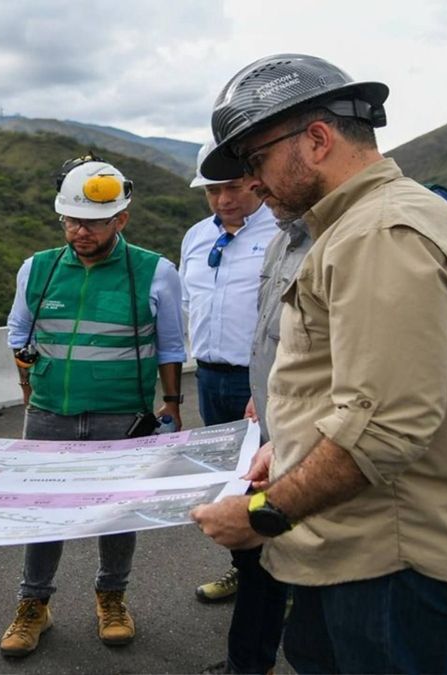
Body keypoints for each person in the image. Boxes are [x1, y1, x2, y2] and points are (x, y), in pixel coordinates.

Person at [190, 54, 447, 674]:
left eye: (255, 160)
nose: (251, 183)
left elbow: (384, 427)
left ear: (316, 139)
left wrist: (262, 513)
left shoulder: (382, 232)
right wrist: (287, 448)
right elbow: (344, 386)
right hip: (344, 546)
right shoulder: (342, 229)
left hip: (389, 560)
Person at [0, 154, 187, 658]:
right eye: (71, 220)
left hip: (121, 414)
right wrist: (29, 384)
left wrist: (172, 404)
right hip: (49, 412)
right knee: (44, 512)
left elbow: (170, 345)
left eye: (93, 222)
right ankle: (33, 604)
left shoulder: (154, 271)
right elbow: (19, 332)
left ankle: (112, 597)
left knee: (118, 513)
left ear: (120, 220)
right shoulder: (36, 267)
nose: (80, 231)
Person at [180, 136, 277, 606]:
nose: (223, 199)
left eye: (234, 187)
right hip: (210, 378)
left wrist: (267, 385)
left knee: (270, 483)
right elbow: (188, 304)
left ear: (256, 180)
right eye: (212, 190)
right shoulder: (197, 237)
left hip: (259, 382)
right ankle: (245, 572)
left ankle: (285, 580)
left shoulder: (282, 232)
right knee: (230, 485)